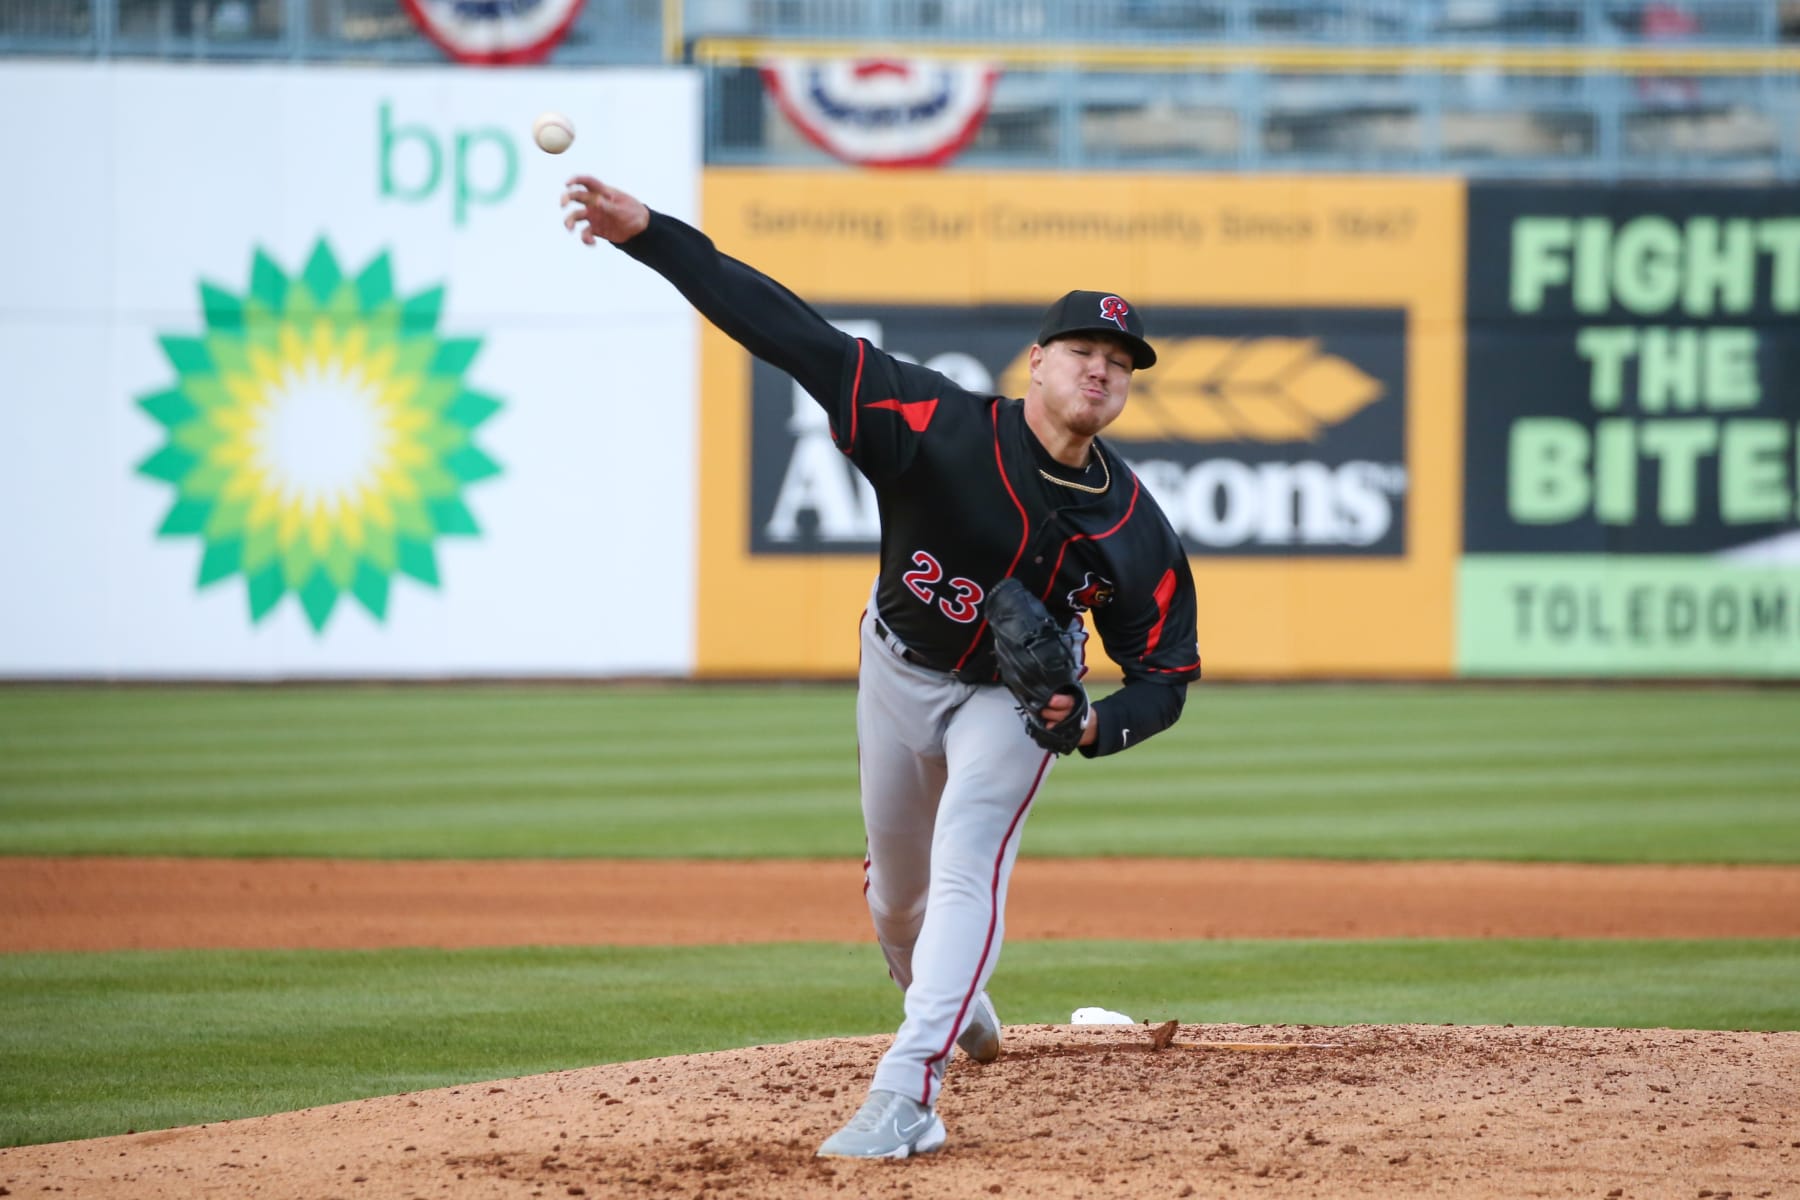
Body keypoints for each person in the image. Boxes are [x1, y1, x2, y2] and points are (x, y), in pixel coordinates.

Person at [561, 176, 1202, 1160]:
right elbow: (783, 329)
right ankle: (954, 1000)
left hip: (1011, 705)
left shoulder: (1130, 526)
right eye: (1083, 351)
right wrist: (649, 235)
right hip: (895, 670)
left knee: (965, 866)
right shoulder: (935, 427)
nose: (1101, 371)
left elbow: (1163, 673)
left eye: (1121, 362)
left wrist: (1087, 723)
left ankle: (910, 1091)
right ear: (1037, 362)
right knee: (893, 903)